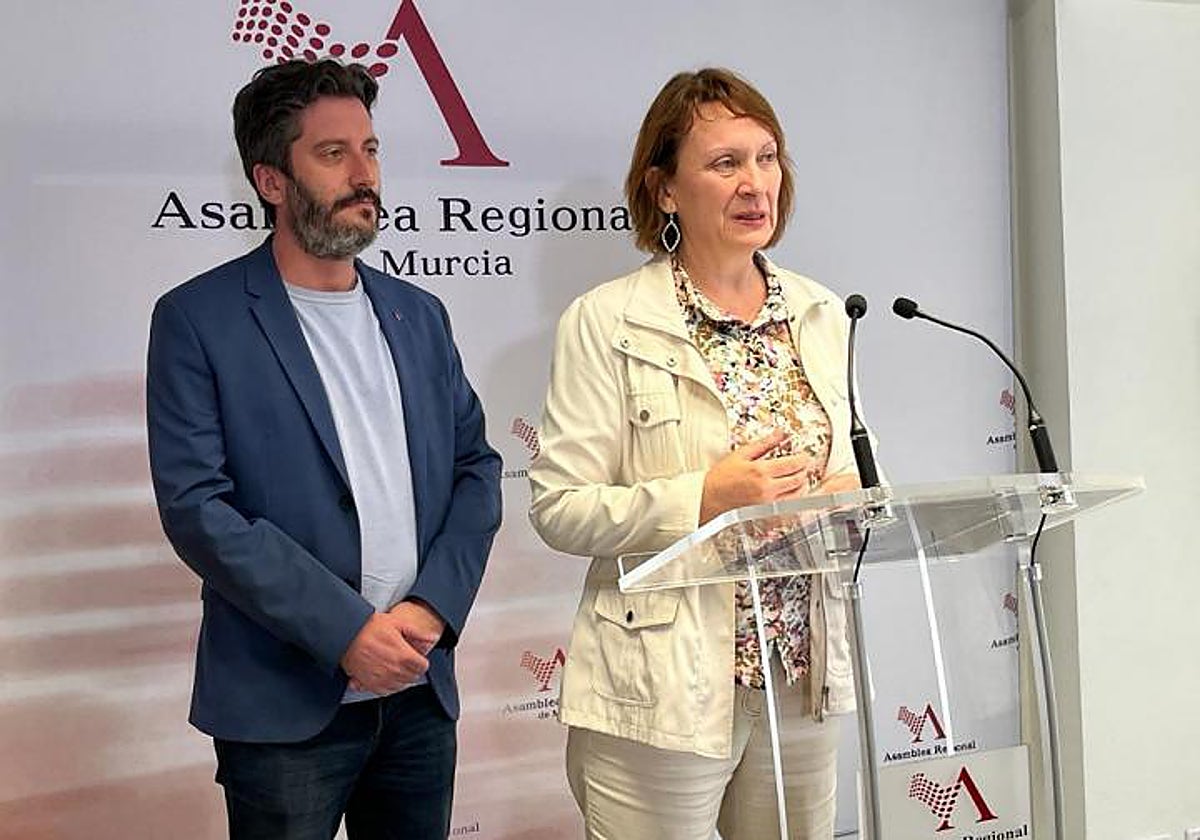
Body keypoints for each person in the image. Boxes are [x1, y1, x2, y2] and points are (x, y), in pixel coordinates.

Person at [146, 59, 502, 839]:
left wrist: (432, 608)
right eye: (333, 154)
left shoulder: (420, 314)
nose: (364, 174)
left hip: (417, 694)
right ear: (272, 180)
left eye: (370, 150)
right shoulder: (199, 320)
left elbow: (477, 468)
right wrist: (344, 632)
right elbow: (198, 507)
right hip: (284, 711)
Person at [528, 68, 868, 839]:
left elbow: (845, 465)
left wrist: (847, 497)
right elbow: (558, 507)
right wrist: (706, 499)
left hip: (802, 676)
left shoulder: (820, 313)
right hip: (663, 686)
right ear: (665, 189)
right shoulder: (607, 320)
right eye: (725, 164)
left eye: (768, 158)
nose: (756, 184)